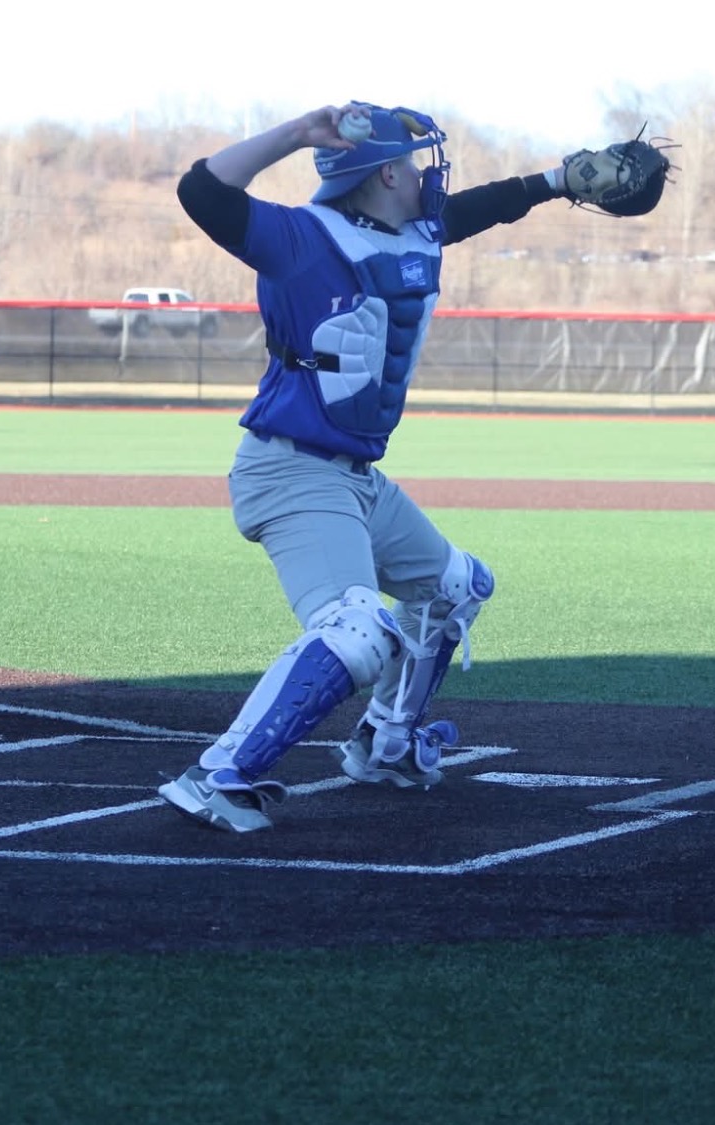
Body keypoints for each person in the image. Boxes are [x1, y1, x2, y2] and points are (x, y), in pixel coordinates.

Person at [157, 101, 604, 832]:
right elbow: (201, 192)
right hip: (290, 470)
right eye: (418, 162)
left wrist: (555, 179)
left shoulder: (416, 231)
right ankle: (215, 775)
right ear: (387, 171)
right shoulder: (300, 239)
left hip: (356, 477)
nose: (431, 175)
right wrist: (299, 134)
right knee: (359, 629)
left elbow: (479, 208)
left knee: (454, 588)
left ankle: (386, 744)